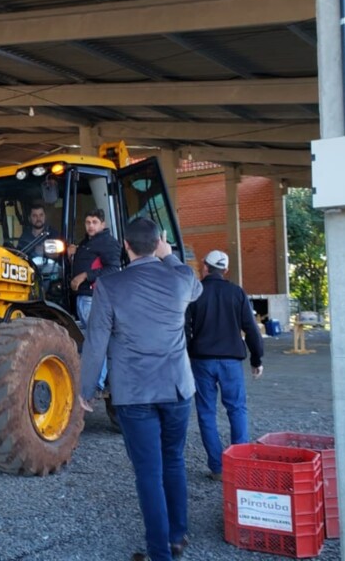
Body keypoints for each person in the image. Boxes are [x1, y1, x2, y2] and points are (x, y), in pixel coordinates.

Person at [79, 217, 203, 561]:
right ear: (159, 243)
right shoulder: (180, 278)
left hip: (134, 394)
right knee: (174, 461)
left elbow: (96, 342)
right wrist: (169, 255)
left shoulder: (110, 286)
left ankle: (159, 552)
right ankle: (177, 537)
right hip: (178, 389)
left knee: (148, 472)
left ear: (125, 247)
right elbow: (197, 288)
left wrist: (86, 389)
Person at [186, 250, 265, 482]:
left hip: (201, 362)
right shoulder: (236, 292)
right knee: (237, 409)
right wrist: (256, 359)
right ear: (225, 270)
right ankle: (240, 466)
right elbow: (251, 329)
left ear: (205, 266)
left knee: (206, 413)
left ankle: (218, 468)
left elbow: (184, 329)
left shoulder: (195, 293)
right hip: (231, 362)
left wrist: (187, 353)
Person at [67, 208, 122, 394]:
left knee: (98, 341)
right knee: (92, 340)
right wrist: (73, 254)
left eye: (94, 222)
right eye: (88, 222)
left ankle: (97, 383)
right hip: (84, 299)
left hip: (95, 299)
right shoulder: (88, 242)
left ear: (103, 224)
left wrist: (84, 276)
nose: (91, 226)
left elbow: (114, 270)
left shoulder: (107, 242)